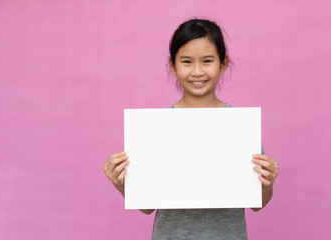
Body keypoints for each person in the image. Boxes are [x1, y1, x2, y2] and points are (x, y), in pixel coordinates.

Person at [103, 18, 279, 240]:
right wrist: (122, 184)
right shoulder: (156, 127)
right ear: (173, 66)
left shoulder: (240, 126)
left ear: (223, 64)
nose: (197, 71)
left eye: (207, 61)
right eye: (187, 61)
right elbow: (147, 207)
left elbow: (258, 203)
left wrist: (268, 182)